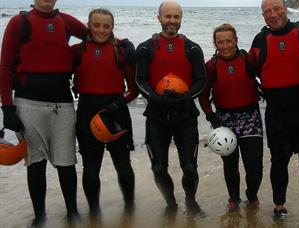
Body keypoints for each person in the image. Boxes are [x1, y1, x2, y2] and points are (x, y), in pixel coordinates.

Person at [0, 0, 87, 227]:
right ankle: (40, 216)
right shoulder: (19, 22)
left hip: (63, 105)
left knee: (66, 163)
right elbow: (5, 67)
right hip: (28, 104)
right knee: (35, 164)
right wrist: (7, 107)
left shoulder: (65, 21)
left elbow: (97, 35)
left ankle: (73, 212)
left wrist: (123, 44)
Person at [248, 0, 299, 224]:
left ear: (285, 8)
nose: (273, 14)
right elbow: (248, 70)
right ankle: (279, 206)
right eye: (267, 11)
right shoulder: (260, 40)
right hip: (276, 114)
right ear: (263, 16)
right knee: (278, 162)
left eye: (277, 8)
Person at [135, 0, 207, 215]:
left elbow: (201, 80)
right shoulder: (145, 48)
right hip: (156, 117)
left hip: (185, 116)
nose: (172, 21)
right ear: (159, 18)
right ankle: (171, 204)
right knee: (158, 169)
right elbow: (140, 80)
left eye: (176, 16)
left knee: (190, 168)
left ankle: (191, 202)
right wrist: (158, 99)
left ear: (181, 19)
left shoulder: (192, 47)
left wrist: (185, 97)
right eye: (168, 16)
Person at [71, 8, 138, 221]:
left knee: (123, 164)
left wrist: (119, 103)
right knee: (91, 167)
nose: (101, 30)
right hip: (87, 113)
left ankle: (129, 208)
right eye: (96, 25)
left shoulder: (121, 52)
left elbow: (134, 89)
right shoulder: (77, 51)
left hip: (116, 111)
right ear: (88, 26)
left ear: (112, 28)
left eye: (106, 26)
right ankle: (94, 213)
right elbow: (57, 74)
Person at [199, 23, 263, 211]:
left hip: (251, 118)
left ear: (236, 40)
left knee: (254, 166)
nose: (225, 45)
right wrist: (212, 118)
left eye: (229, 41)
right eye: (220, 42)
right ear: (215, 44)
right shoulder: (210, 66)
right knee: (230, 164)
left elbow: (268, 76)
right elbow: (203, 96)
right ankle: (234, 198)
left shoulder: (249, 60)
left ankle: (252, 195)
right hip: (224, 120)